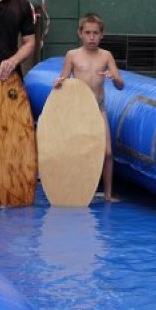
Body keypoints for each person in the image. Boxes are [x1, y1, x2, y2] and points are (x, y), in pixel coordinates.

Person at [53, 13, 125, 202]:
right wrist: (58, 82)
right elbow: (64, 80)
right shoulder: (73, 55)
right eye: (87, 33)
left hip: (98, 107)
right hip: (79, 108)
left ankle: (108, 194)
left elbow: (120, 85)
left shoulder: (106, 56)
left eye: (95, 33)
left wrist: (113, 77)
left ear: (102, 35)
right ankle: (77, 190)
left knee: (107, 152)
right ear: (80, 34)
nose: (91, 37)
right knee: (78, 150)